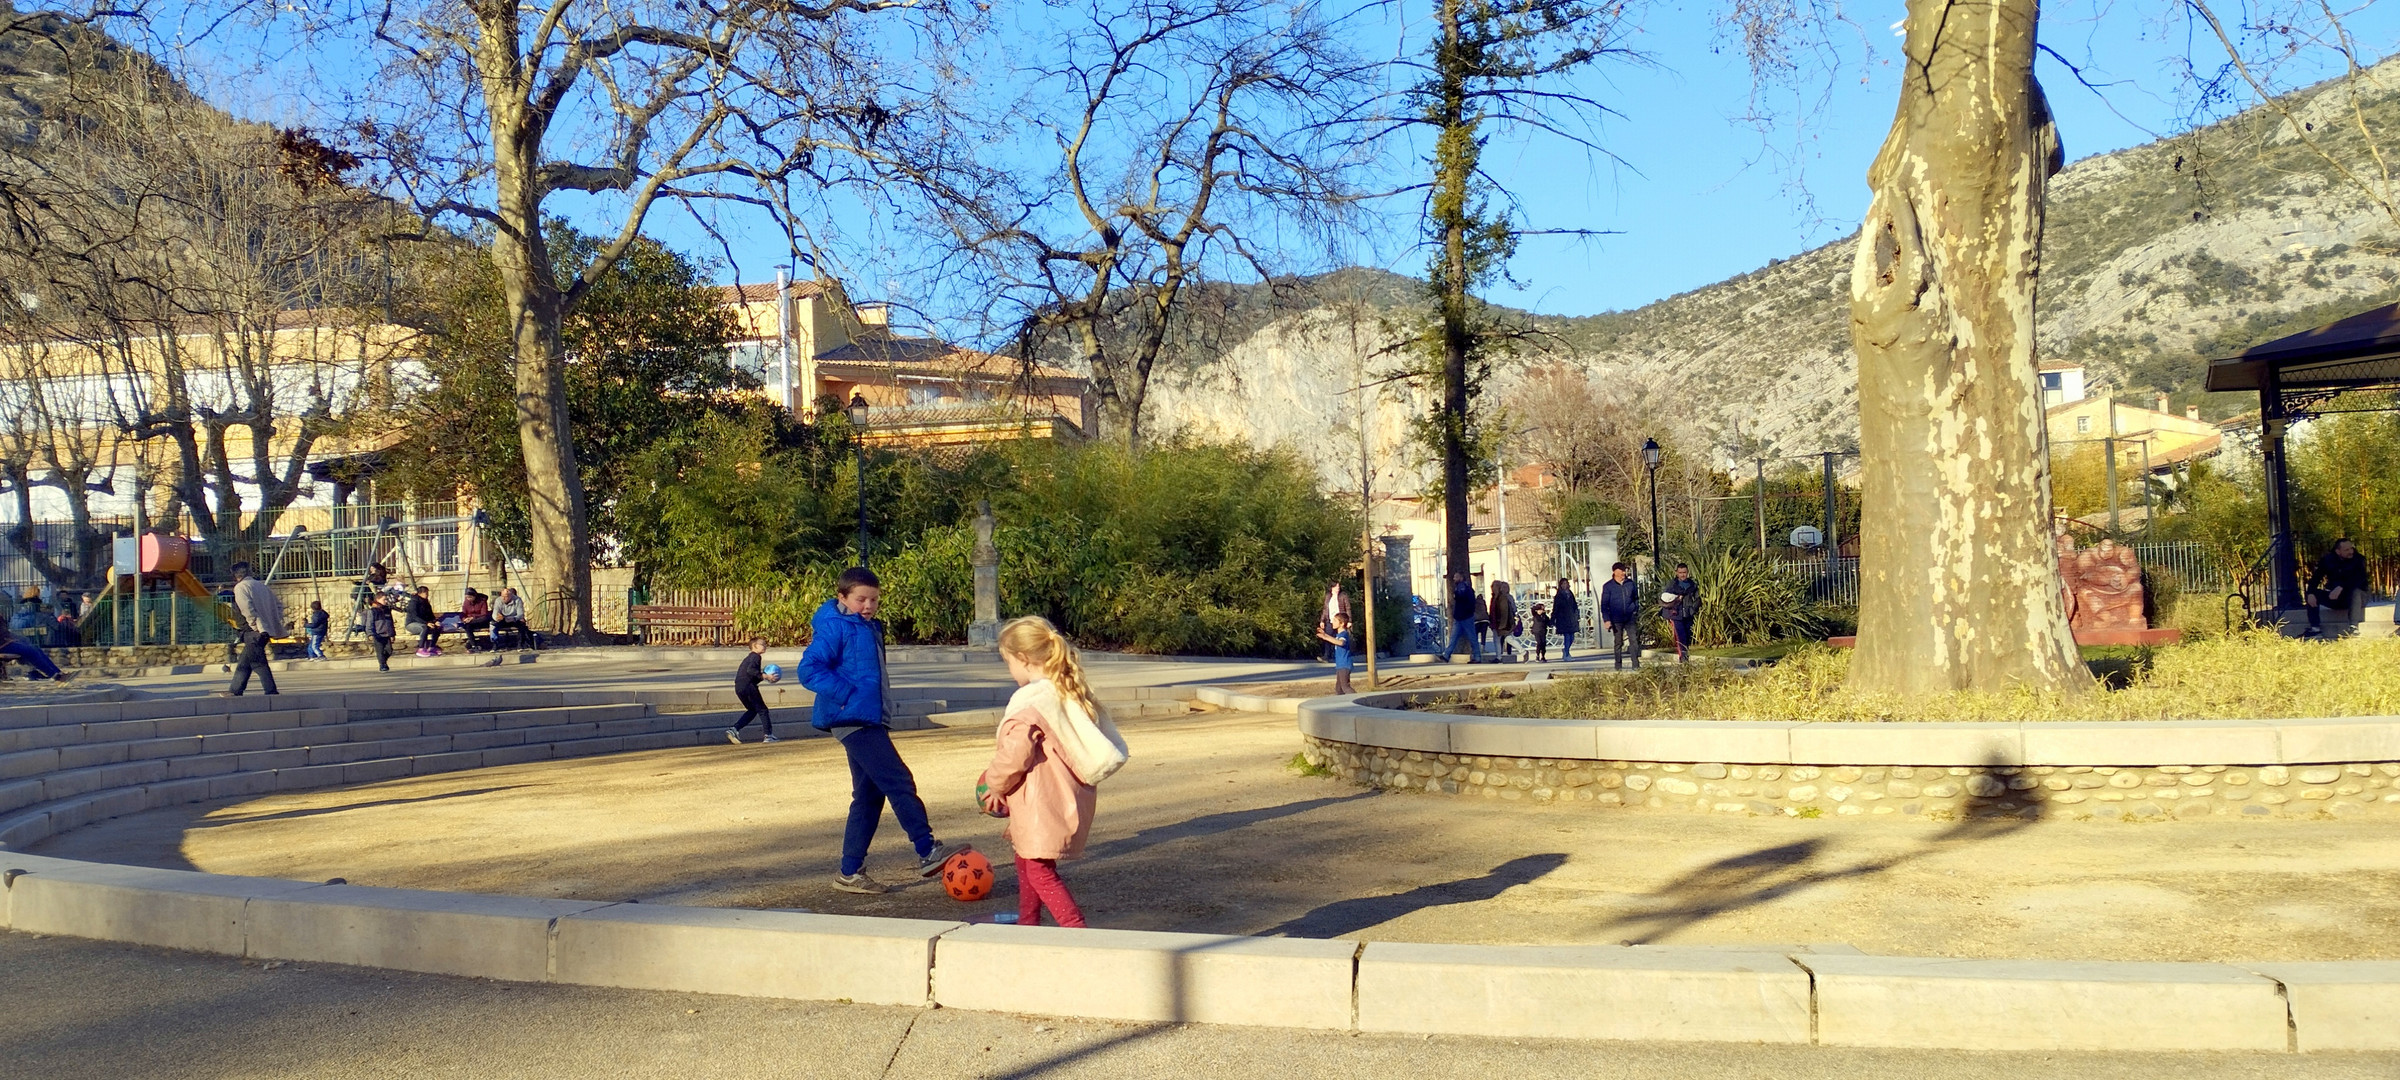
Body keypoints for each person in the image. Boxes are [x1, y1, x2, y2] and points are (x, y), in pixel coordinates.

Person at [798, 566, 966, 895]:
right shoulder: (836, 627)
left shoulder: (867, 626)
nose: (869, 605)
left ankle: (849, 873)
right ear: (842, 597)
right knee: (898, 781)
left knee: (869, 796)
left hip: (866, 718)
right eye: (861, 599)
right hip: (853, 720)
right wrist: (847, 696)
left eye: (874, 599)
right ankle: (927, 850)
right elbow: (809, 669)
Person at [983, 616, 1127, 929]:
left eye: (1008, 662)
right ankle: (1027, 923)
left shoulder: (1030, 702)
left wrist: (994, 783)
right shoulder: (1063, 693)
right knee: (1027, 861)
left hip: (1041, 803)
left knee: (1038, 870)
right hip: (1062, 797)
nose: (1009, 669)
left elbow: (1015, 755)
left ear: (1023, 659)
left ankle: (1075, 929)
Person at [226, 561, 284, 697]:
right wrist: (272, 621)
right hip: (265, 630)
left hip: (253, 631)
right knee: (244, 663)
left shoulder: (241, 587)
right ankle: (235, 690)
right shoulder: (262, 586)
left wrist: (254, 625)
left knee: (258, 662)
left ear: (235, 575)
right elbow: (279, 606)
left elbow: (247, 608)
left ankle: (271, 691)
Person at [2307, 538, 2369, 636]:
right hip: (2336, 597)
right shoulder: (2328, 560)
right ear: (2338, 551)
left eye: (2351, 549)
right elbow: (2316, 578)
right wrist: (2310, 593)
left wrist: (2341, 587)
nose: (2350, 552)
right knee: (2313, 594)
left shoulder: (2359, 560)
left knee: (2356, 591)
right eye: (2346, 550)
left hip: (2356, 598)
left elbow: (2359, 580)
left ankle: (2353, 627)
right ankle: (2315, 628)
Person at [726, 637, 780, 744]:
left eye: (765, 644)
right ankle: (768, 736)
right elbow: (750, 670)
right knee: (763, 710)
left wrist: (763, 677)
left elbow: (749, 675)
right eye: (762, 644)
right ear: (754, 646)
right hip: (748, 687)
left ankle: (734, 729)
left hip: (739, 687)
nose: (765, 646)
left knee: (752, 710)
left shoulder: (749, 658)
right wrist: (765, 676)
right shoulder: (756, 656)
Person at [1599, 562, 1640, 670]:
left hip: (1630, 617)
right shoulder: (1608, 586)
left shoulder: (1630, 584)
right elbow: (1604, 605)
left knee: (1634, 640)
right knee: (1618, 642)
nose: (1623, 572)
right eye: (1621, 570)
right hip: (1616, 619)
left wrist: (1635, 609)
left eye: (1624, 570)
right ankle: (1618, 665)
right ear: (1615, 572)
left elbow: (1636, 598)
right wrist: (1606, 620)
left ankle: (1635, 664)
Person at [1661, 562, 1699, 664]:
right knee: (1680, 636)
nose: (1682, 574)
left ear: (1687, 572)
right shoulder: (1672, 585)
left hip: (1688, 614)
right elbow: (1664, 598)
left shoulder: (1693, 585)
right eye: (1680, 572)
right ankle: (1683, 658)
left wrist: (1693, 610)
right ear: (1676, 573)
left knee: (1688, 637)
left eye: (1684, 572)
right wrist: (1677, 599)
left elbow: (1697, 599)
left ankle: (1686, 656)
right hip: (1676, 615)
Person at [0, 625, 67, 680]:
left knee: (35, 648)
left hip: (5, 642)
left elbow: (5, 632)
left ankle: (58, 672)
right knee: (30, 651)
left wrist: (12, 638)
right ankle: (54, 675)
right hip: (3, 646)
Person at [1315, 612, 1358, 695]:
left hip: (1344, 665)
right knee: (1339, 689)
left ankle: (1357, 700)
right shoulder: (1339, 634)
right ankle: (1341, 704)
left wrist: (1326, 638)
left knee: (1345, 687)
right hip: (1340, 665)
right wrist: (1325, 636)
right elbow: (1336, 640)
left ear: (1341, 623)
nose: (1332, 622)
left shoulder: (1344, 634)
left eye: (1335, 620)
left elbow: (1341, 643)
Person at [1443, 573, 1480, 663]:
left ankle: (1477, 657)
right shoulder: (1463, 587)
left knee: (1470, 637)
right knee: (1454, 637)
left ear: (1461, 578)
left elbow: (1463, 598)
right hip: (1460, 616)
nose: (1454, 578)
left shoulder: (1463, 587)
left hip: (1465, 617)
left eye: (1456, 577)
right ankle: (1446, 655)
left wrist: (1457, 595)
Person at [405, 585, 441, 656]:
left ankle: (432, 647)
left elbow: (430, 614)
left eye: (427, 593)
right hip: (412, 623)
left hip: (425, 623)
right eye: (425, 593)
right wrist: (426, 623)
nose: (427, 595)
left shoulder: (426, 602)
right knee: (424, 627)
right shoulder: (413, 602)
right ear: (420, 593)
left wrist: (435, 621)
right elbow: (414, 616)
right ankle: (421, 649)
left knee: (437, 628)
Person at [1487, 581, 1516, 664]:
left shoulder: (1503, 597)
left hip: (1503, 623)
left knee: (1507, 638)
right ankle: (1499, 656)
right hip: (1497, 622)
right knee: (1501, 639)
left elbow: (1505, 611)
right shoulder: (1494, 597)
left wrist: (1502, 623)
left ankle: (1522, 651)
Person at [1551, 578, 1579, 660]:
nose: (1564, 585)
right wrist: (1553, 618)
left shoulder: (1570, 594)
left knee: (1572, 637)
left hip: (1571, 618)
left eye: (1566, 583)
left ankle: (1566, 650)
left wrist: (1576, 614)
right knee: (1567, 636)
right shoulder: (1559, 596)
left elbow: (1574, 605)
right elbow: (1555, 608)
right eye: (1563, 584)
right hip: (1563, 618)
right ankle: (1566, 654)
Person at [366, 594, 397, 672]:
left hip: (387, 634)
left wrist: (392, 634)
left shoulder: (387, 609)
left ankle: (383, 661)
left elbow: (390, 622)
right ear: (378, 599)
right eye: (384, 599)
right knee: (380, 651)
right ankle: (382, 665)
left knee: (389, 650)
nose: (386, 601)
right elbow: (369, 622)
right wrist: (370, 633)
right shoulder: (373, 611)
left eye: (386, 599)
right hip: (378, 634)